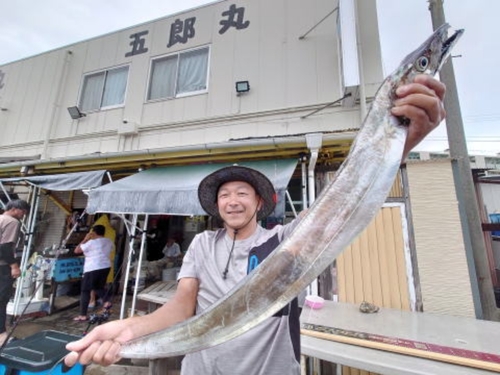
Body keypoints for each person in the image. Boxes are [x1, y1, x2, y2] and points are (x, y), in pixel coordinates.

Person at [64, 75, 447, 372]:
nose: (233, 200)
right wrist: (129, 329)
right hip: (201, 368)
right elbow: (182, 307)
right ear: (216, 206)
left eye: (243, 193)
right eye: (225, 194)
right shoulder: (201, 245)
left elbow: (343, 206)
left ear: (260, 203)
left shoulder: (287, 243)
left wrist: (398, 143)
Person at [0, 199, 30, 346]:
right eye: (23, 212)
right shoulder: (12, 222)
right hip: (2, 266)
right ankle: (1, 335)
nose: (24, 216)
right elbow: (4, 247)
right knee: (1, 300)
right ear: (16, 209)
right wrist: (14, 266)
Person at [73, 225, 113, 321]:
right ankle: (107, 301)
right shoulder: (109, 241)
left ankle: (83, 315)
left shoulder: (91, 242)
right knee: (98, 287)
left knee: (85, 290)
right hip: (105, 267)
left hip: (93, 267)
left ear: (93, 232)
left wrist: (85, 239)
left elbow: (77, 250)